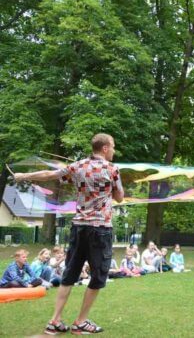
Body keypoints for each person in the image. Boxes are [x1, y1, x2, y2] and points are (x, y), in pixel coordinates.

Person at [14, 133, 123, 335]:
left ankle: (54, 321)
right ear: (105, 148)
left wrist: (24, 176)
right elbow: (120, 197)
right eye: (113, 147)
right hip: (100, 229)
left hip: (78, 227)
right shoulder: (112, 169)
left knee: (70, 274)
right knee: (98, 277)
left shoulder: (78, 166)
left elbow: (50, 175)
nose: (114, 151)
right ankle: (81, 321)